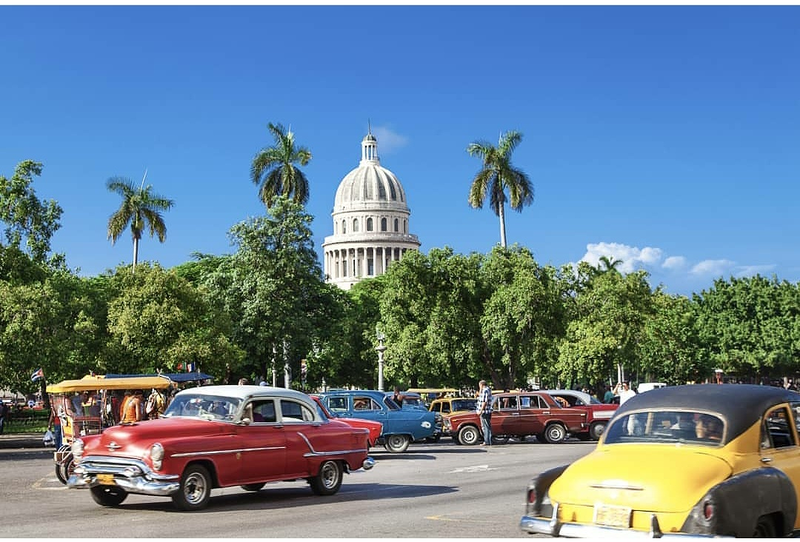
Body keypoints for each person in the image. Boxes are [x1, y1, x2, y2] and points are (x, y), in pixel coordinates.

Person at [476, 380, 493, 446]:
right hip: (486, 411)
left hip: (485, 411)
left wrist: (480, 411)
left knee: (486, 427)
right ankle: (487, 440)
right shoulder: (487, 390)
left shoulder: (485, 390)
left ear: (481, 385)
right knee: (486, 426)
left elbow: (484, 402)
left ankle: (487, 441)